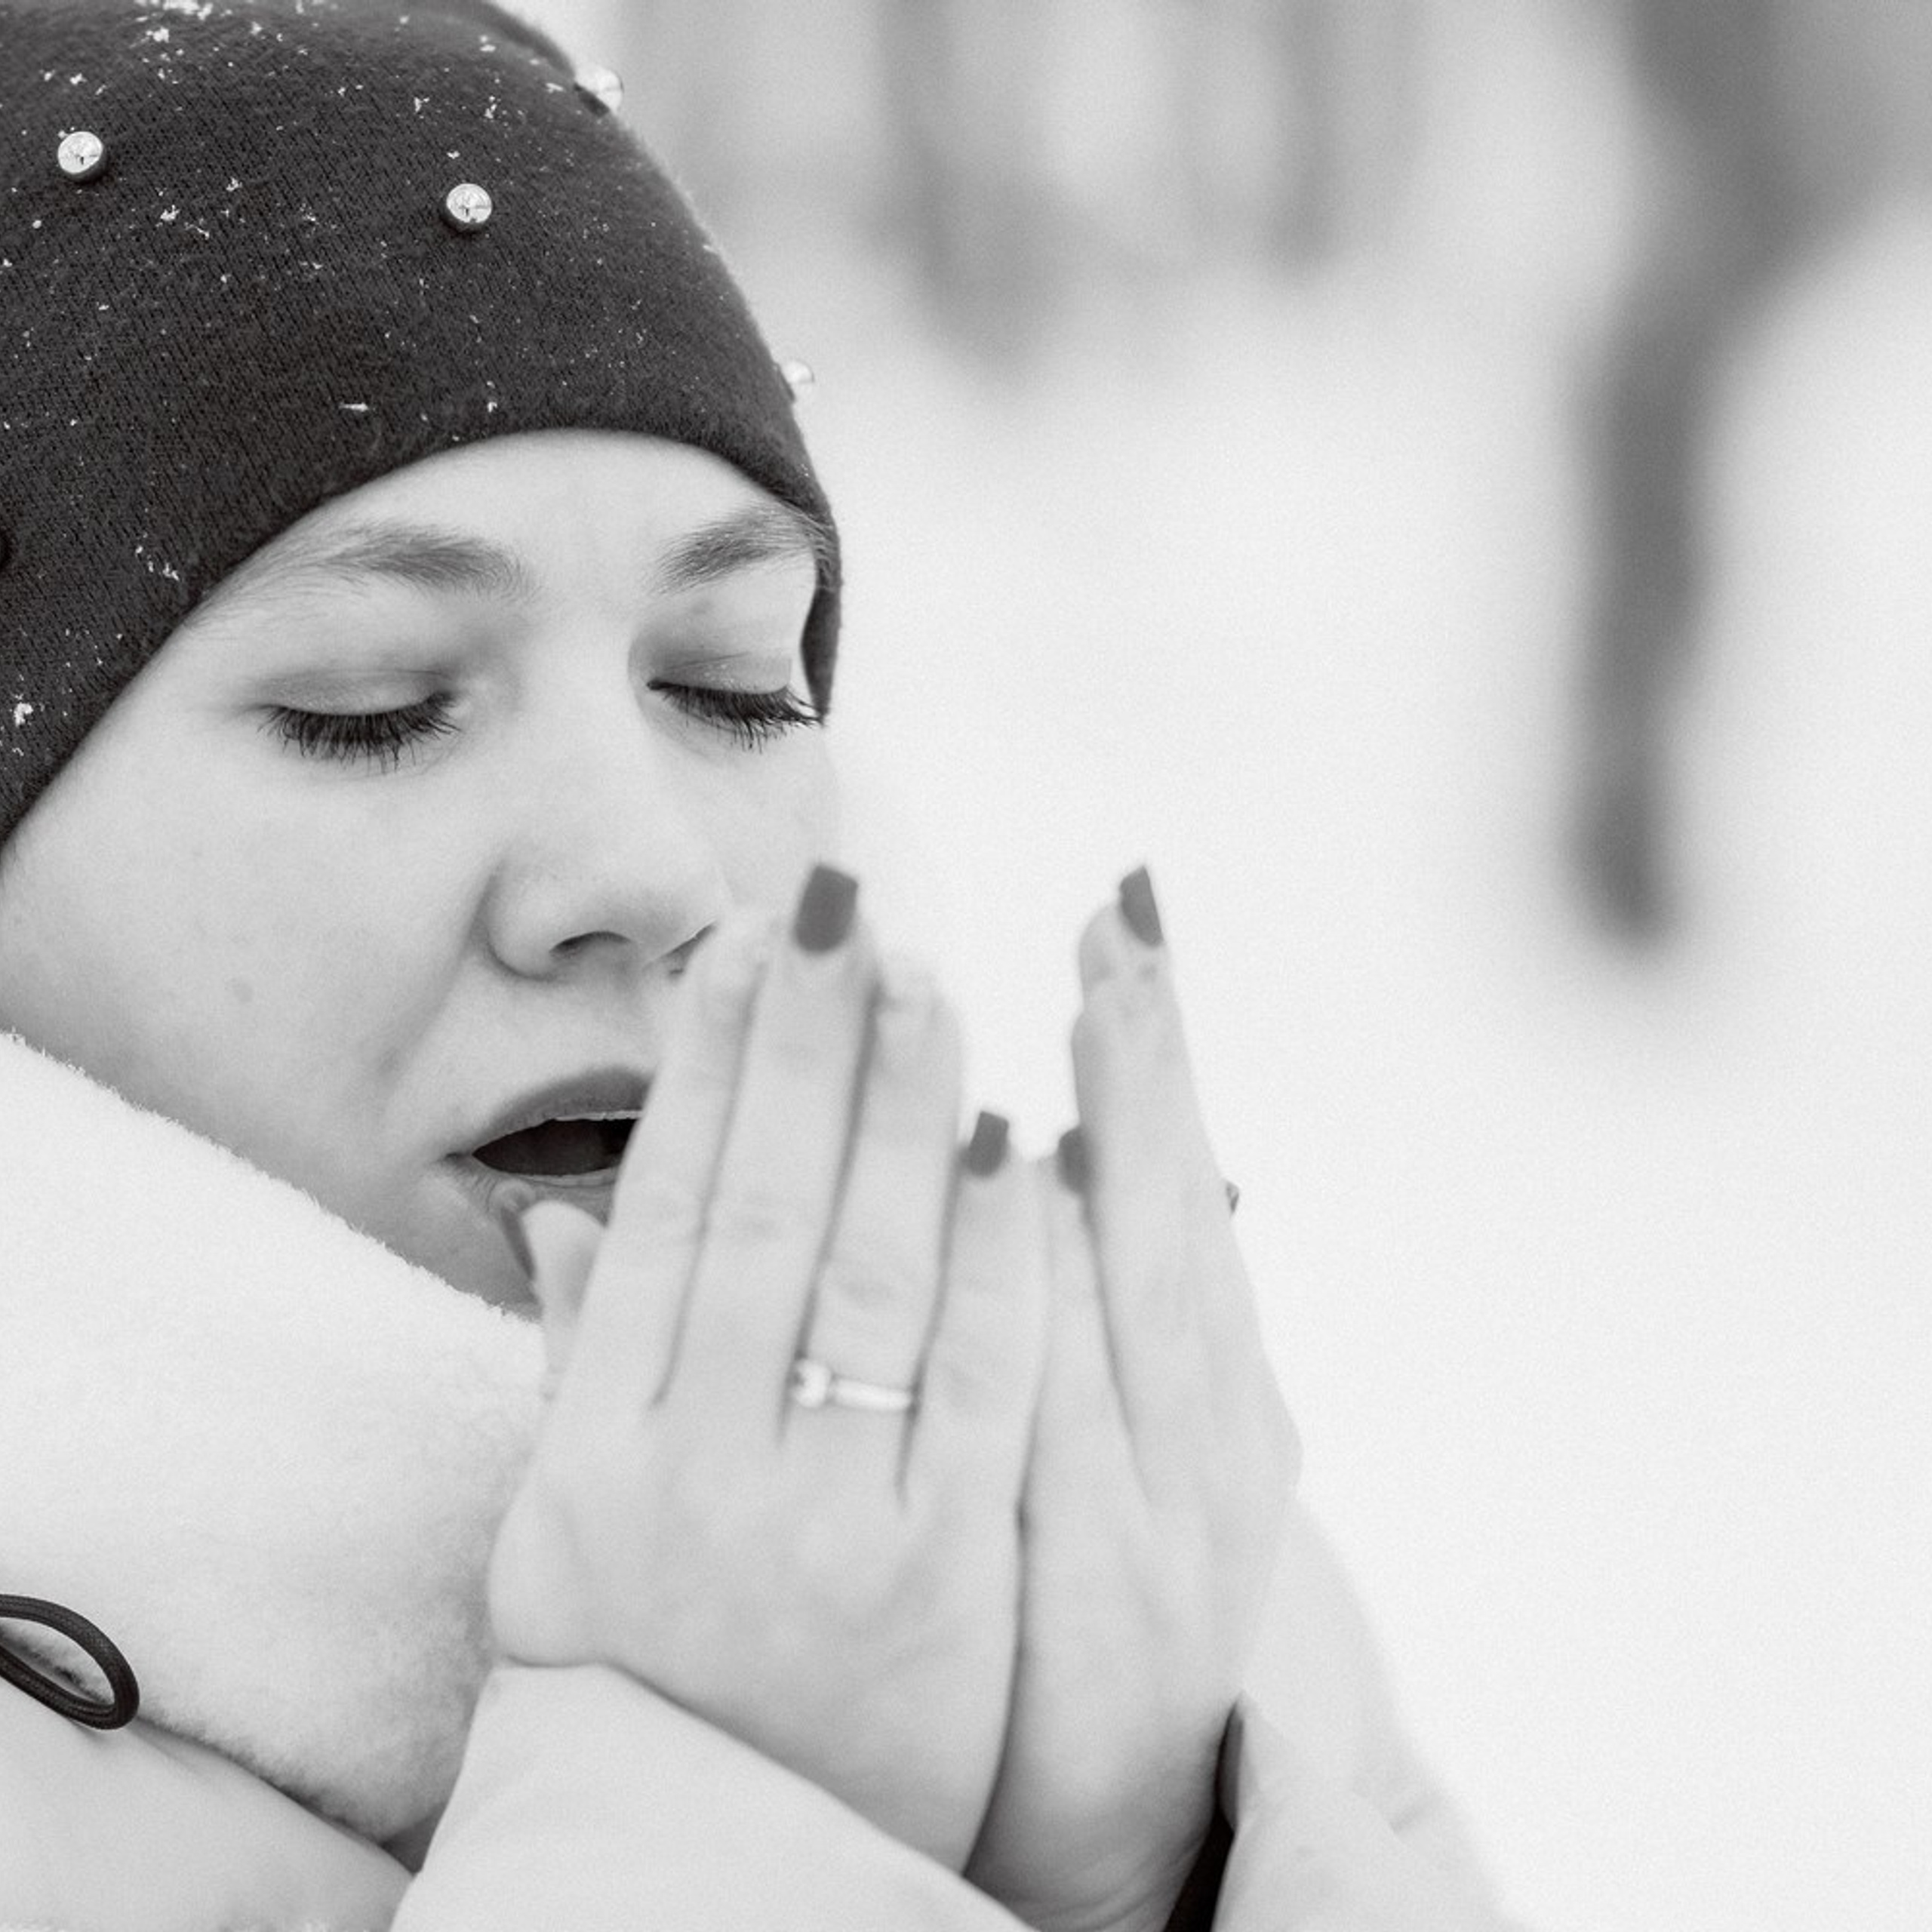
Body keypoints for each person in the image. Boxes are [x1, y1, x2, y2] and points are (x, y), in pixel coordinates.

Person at [0, 1, 1518, 1925]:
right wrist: (738, 1800)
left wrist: (1132, 1863)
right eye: (373, 705)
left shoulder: (1159, 1593)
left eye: (731, 683)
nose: (651, 869)